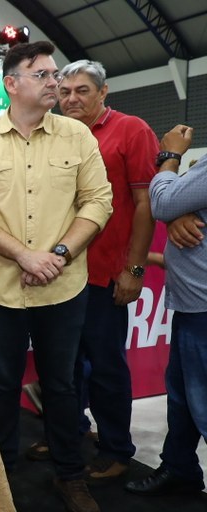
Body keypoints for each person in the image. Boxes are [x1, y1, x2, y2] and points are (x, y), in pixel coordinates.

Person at [0, 41, 112, 512]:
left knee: (60, 385)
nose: (54, 83)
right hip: (1, 285)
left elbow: (98, 201)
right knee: (2, 383)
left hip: (63, 285)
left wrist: (57, 255)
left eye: (54, 74)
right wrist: (24, 256)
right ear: (11, 84)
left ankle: (70, 474)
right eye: (41, 74)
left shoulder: (77, 137)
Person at [28, 60, 157, 482]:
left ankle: (117, 448)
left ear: (103, 93)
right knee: (63, 367)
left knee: (105, 367)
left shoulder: (131, 130)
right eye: (64, 92)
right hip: (59, 271)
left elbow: (145, 205)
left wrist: (134, 268)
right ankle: (71, 435)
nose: (71, 99)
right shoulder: (56, 131)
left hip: (104, 273)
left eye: (82, 91)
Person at [125, 125, 207, 497]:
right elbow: (176, 203)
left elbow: (162, 201)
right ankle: (180, 469)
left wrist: (170, 156)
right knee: (182, 398)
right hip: (193, 307)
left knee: (200, 404)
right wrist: (175, 215)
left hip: (203, 310)